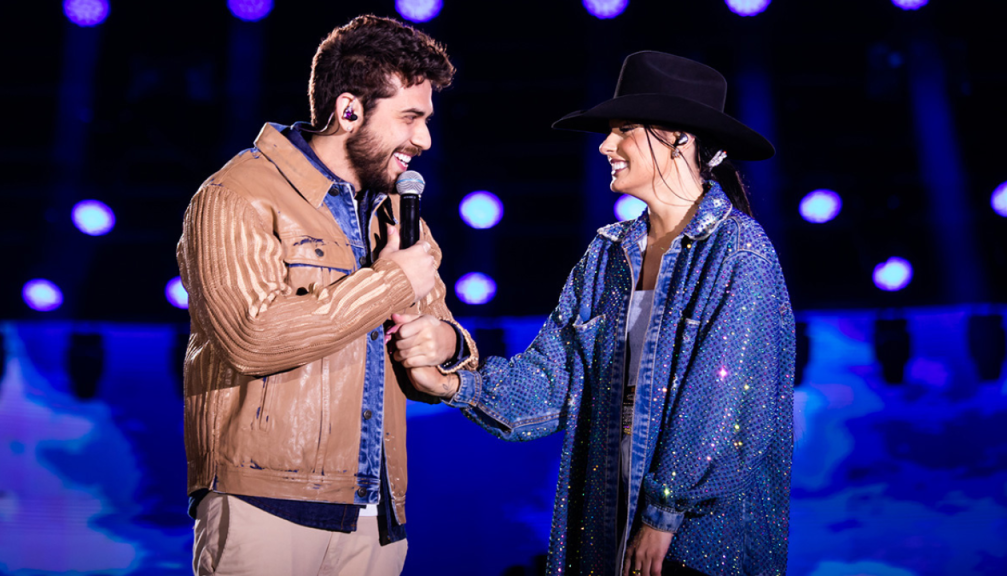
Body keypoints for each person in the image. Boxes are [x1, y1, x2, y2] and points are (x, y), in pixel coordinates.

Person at [400, 51, 794, 576]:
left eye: (624, 129)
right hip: (607, 528)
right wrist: (456, 384)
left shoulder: (739, 250)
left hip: (696, 545)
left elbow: (726, 404)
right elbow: (553, 381)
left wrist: (663, 515)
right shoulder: (609, 253)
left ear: (680, 138)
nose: (606, 145)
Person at [177, 15, 477, 576]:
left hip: (375, 515)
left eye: (426, 120)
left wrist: (447, 343)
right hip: (264, 503)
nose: (424, 140)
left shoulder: (399, 215)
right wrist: (390, 282)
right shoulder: (236, 194)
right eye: (410, 118)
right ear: (348, 111)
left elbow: (445, 345)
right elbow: (252, 338)